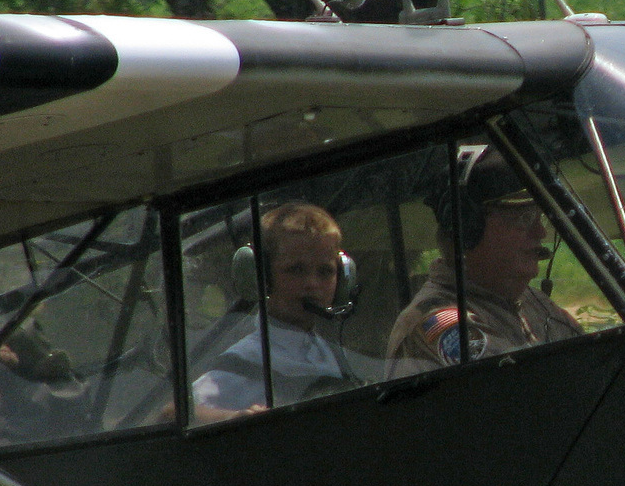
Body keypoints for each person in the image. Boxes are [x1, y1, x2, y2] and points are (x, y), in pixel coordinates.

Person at [386, 147, 582, 371]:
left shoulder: (535, 303)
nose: (540, 233)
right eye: (525, 218)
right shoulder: (442, 325)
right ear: (467, 227)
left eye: (540, 217)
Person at [190, 203, 351, 423]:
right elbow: (169, 415)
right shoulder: (246, 359)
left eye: (325, 271)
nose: (312, 284)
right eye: (296, 269)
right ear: (261, 276)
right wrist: (235, 417)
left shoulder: (326, 351)